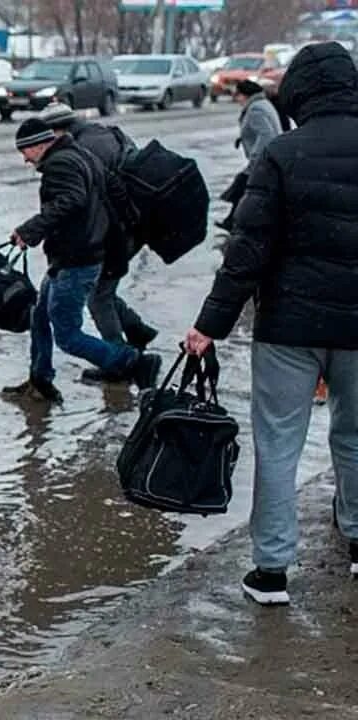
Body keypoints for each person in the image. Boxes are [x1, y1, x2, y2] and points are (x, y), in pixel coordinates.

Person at [184, 42, 358, 607]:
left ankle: (272, 573)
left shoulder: (281, 154)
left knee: (279, 446)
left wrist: (210, 324)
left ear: (301, 92)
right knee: (355, 438)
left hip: (288, 329)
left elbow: (247, 251)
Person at [4, 119, 162, 404]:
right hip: (75, 254)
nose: (25, 160)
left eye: (25, 151)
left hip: (76, 259)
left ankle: (135, 362)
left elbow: (70, 201)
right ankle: (40, 380)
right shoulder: (82, 154)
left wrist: (29, 231)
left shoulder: (59, 165)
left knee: (67, 334)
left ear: (40, 145)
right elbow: (114, 190)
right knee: (39, 315)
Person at [39, 103, 157, 377]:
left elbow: (97, 198)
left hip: (117, 231)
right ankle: (137, 330)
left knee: (98, 296)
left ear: (58, 130)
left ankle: (118, 362)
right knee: (102, 288)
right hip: (131, 224)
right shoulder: (100, 133)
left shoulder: (85, 149)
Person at [216, 80, 283, 232]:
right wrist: (242, 139)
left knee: (242, 186)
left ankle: (236, 222)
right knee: (246, 189)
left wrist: (255, 157)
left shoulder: (255, 109)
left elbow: (266, 134)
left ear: (245, 95)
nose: (236, 99)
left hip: (262, 159)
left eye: (237, 95)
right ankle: (232, 220)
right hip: (266, 158)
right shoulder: (262, 103)